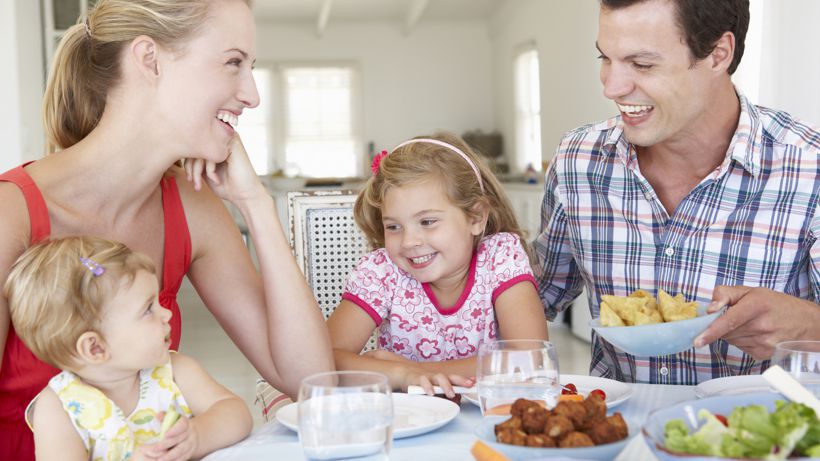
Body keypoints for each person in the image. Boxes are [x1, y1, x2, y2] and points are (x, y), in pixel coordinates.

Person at [0, 1, 333, 458]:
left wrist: (255, 204)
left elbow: (310, 381)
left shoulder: (193, 207)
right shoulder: (9, 214)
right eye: (233, 63)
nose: (252, 95)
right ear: (150, 59)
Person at [535, 0, 820, 384]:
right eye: (605, 58)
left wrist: (811, 328)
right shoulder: (578, 160)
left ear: (719, 54)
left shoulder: (809, 168)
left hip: (760, 438)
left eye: (642, 64)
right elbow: (534, 295)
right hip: (619, 436)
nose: (611, 87)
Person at [327, 133, 549, 396]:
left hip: (490, 417)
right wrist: (402, 374)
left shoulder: (500, 257)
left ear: (476, 217)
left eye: (427, 222)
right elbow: (324, 361)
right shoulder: (383, 272)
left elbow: (531, 359)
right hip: (410, 423)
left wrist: (418, 371)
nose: (409, 242)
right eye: (393, 226)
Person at [4, 236, 252, 461]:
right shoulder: (58, 408)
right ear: (95, 348)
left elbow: (237, 414)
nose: (166, 313)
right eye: (148, 310)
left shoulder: (174, 373)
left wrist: (198, 436)